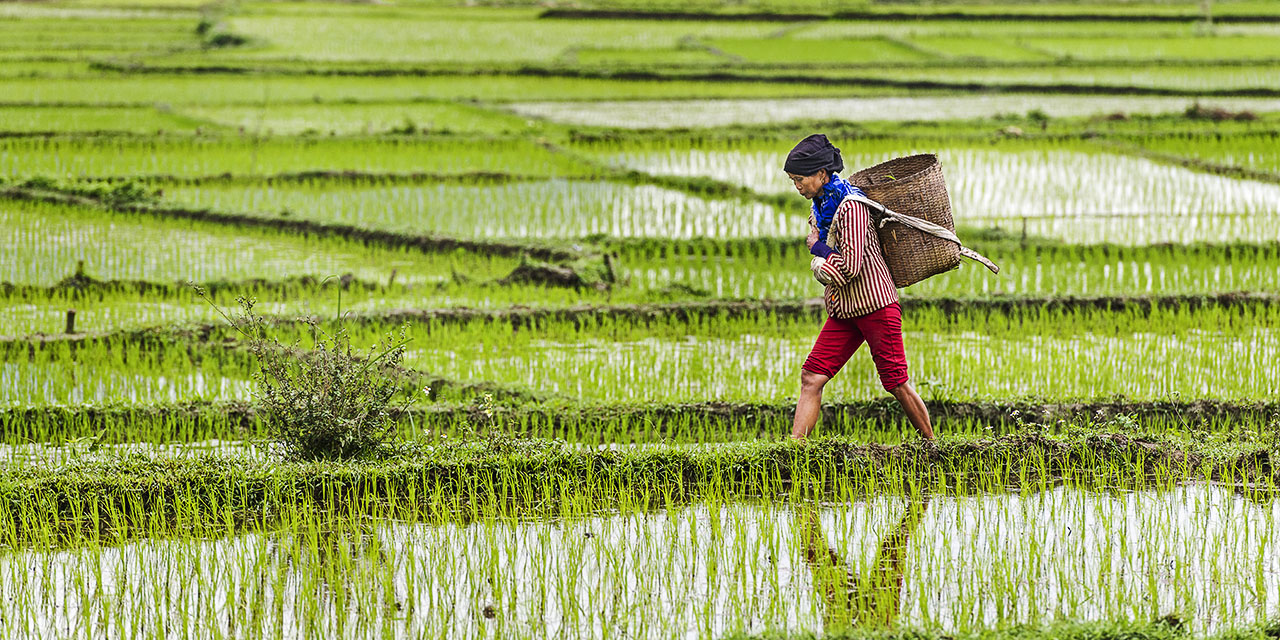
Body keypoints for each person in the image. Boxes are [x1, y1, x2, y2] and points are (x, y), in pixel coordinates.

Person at [785, 134, 934, 441]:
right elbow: (832, 260)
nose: (797, 186)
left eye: (800, 179)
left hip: (876, 306)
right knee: (811, 377)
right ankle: (793, 450)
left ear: (822, 174)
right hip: (845, 309)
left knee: (895, 382)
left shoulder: (851, 207)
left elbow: (851, 266)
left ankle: (932, 446)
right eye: (793, 180)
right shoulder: (820, 207)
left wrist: (817, 253)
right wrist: (821, 260)